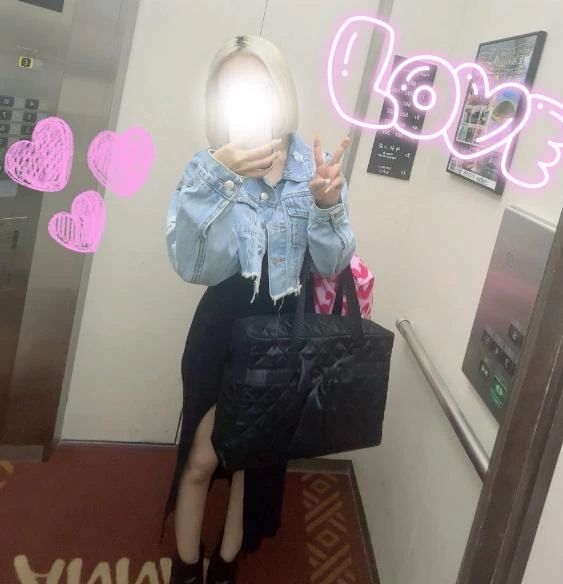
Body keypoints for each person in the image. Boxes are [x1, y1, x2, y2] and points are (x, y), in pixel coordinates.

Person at [164, 34, 356, 584]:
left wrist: (327, 205)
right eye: (233, 89)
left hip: (283, 334)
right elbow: (193, 266)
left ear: (280, 91)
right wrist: (218, 180)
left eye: (258, 85)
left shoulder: (312, 167)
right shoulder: (208, 168)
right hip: (221, 331)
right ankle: (186, 567)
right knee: (201, 457)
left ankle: (227, 562)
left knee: (251, 458)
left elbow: (333, 262)